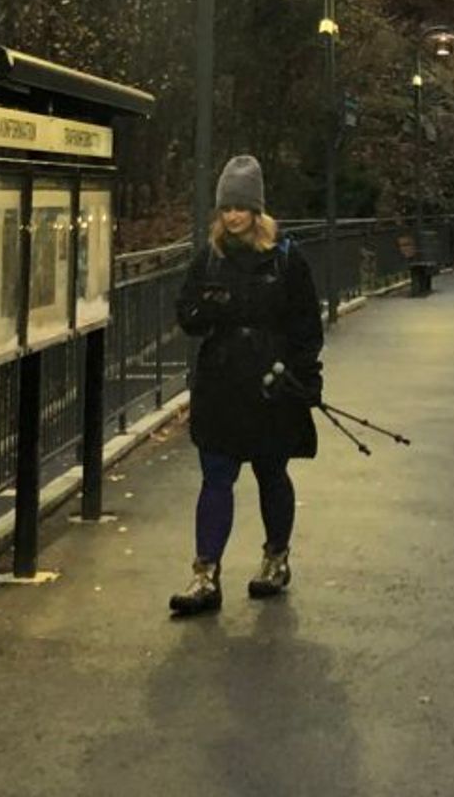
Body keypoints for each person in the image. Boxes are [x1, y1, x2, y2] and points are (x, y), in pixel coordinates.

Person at [168, 153, 324, 616]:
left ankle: (276, 559)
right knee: (216, 477)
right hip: (221, 385)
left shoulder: (287, 259)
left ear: (256, 209)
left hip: (271, 384)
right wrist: (209, 310)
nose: (232, 216)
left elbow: (306, 325)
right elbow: (186, 315)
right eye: (226, 208)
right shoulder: (209, 259)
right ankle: (205, 575)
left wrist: (305, 377)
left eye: (240, 207)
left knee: (271, 473)